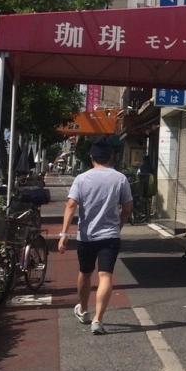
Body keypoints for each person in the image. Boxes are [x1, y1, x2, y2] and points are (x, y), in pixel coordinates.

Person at [58, 136, 132, 335]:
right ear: (110, 157)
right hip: (110, 235)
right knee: (105, 275)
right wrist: (119, 226)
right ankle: (98, 320)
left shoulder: (81, 179)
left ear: (91, 157)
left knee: (85, 273)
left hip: (86, 236)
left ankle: (83, 310)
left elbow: (71, 205)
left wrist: (64, 233)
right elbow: (127, 208)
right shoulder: (120, 178)